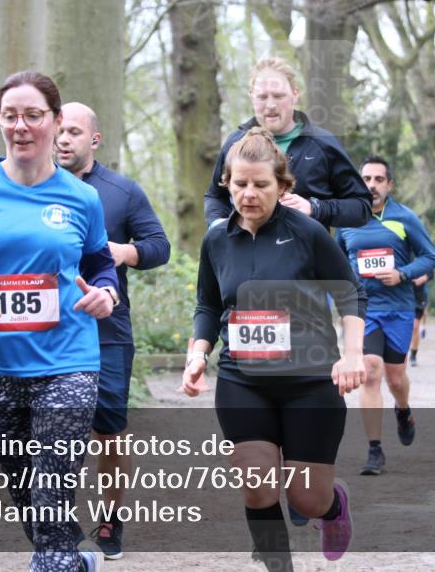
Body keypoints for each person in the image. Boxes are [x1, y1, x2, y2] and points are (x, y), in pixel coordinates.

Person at [0, 71, 117, 572]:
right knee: (26, 490)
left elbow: (99, 265)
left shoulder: (82, 198)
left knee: (51, 487)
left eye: (33, 115)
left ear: (56, 122)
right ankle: (71, 561)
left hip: (70, 361)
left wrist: (107, 293)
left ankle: (54, 560)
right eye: (11, 116)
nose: (21, 126)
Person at [183, 128, 367, 570]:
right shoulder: (216, 240)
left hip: (310, 382)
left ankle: (332, 507)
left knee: (307, 496)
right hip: (242, 379)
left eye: (261, 184)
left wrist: (353, 354)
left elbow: (350, 294)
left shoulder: (307, 233)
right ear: (226, 182)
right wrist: (197, 353)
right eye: (240, 183)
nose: (249, 193)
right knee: (258, 487)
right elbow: (208, 303)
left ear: (283, 186)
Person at [55, 102, 171, 560]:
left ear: (94, 140)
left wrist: (125, 252)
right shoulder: (34, 188)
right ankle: (58, 519)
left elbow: (159, 247)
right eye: (59, 130)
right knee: (54, 428)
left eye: (74, 132)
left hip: (107, 330)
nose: (64, 139)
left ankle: (109, 519)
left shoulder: (121, 192)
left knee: (109, 433)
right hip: (50, 329)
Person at [336, 156, 435, 476]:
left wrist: (403, 274)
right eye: (366, 178)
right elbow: (333, 264)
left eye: (379, 179)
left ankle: (403, 409)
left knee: (395, 377)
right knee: (370, 370)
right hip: (364, 311)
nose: (372, 185)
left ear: (389, 185)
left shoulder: (404, 218)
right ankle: (374, 450)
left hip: (398, 308)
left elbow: (430, 257)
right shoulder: (347, 221)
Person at [204, 57, 371, 230]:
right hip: (246, 253)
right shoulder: (235, 143)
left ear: (295, 94)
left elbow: (361, 206)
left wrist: (315, 208)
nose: (270, 105)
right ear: (251, 96)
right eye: (262, 97)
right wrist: (218, 226)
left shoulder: (323, 144)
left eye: (278, 96)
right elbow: (215, 197)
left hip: (308, 254)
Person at [409, 276, 430, 368]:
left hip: (419, 295)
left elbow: (430, 272)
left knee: (415, 326)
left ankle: (413, 354)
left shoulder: (421, 261)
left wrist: (425, 277)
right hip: (403, 294)